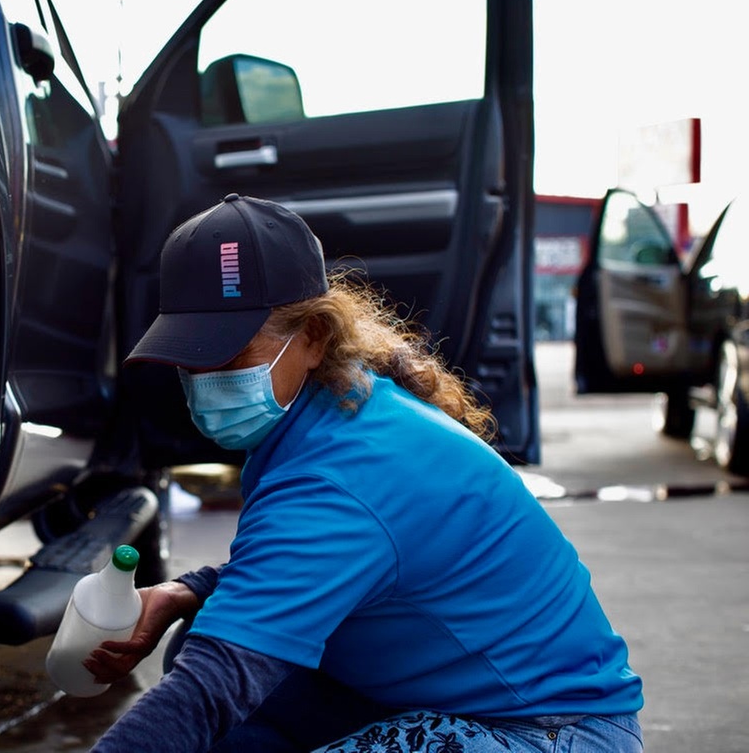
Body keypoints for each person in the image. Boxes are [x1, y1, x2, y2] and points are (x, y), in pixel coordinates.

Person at [87, 194, 644, 752]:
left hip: (548, 732)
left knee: (215, 682)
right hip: (461, 699)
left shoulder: (346, 474)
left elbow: (213, 686)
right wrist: (190, 589)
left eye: (228, 357)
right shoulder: (336, 412)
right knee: (205, 643)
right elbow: (305, 561)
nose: (205, 380)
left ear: (312, 337)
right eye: (190, 358)